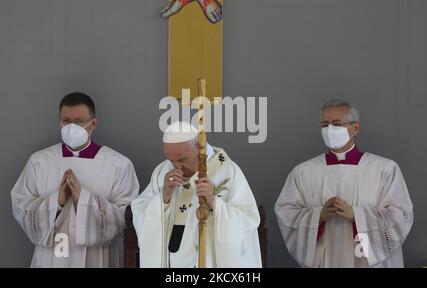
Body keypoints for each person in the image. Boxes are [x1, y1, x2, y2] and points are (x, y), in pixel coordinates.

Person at [275, 99, 413, 268]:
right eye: (324, 125)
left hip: (365, 259)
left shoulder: (384, 169)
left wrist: (357, 215)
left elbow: (401, 215)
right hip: (326, 257)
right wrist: (318, 216)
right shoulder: (303, 172)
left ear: (355, 128)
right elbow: (286, 214)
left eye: (336, 124)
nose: (329, 130)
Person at [11, 92, 140, 267]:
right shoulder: (39, 162)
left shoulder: (118, 165)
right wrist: (57, 202)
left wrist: (83, 200)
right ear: (59, 122)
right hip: (51, 257)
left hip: (97, 258)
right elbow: (21, 207)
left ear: (93, 123)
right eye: (66, 121)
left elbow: (128, 216)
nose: (71, 127)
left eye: (79, 121)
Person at [131, 121, 261, 267]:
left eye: (182, 159)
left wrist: (214, 203)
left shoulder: (227, 171)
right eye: (171, 160)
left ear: (200, 148)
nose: (177, 166)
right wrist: (164, 197)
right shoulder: (162, 172)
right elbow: (140, 213)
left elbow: (248, 221)